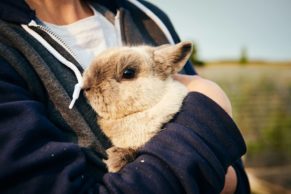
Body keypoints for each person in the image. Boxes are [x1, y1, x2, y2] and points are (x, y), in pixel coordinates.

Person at [0, 0, 250, 193]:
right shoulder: (6, 43)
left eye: (128, 73)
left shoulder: (146, 16)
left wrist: (226, 177)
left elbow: (236, 174)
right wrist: (208, 108)